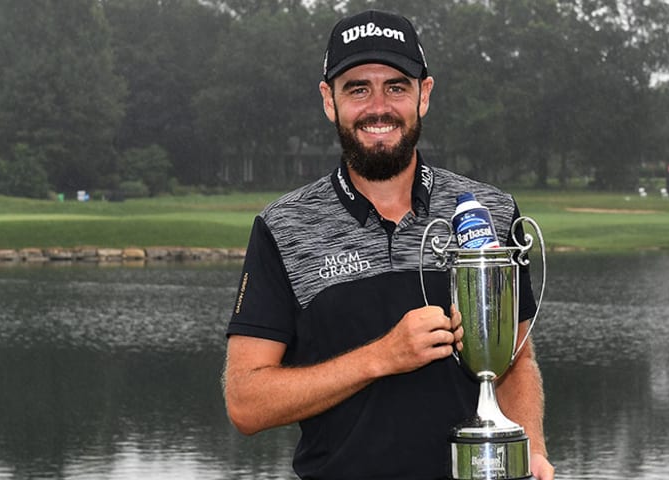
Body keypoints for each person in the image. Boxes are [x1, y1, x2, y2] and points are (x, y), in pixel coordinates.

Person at [223, 9, 554, 480]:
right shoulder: (283, 226)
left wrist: (532, 450)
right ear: (328, 100)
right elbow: (245, 402)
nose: (379, 107)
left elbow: (514, 362)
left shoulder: (492, 211)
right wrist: (380, 358)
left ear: (424, 95)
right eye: (358, 88)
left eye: (396, 86)